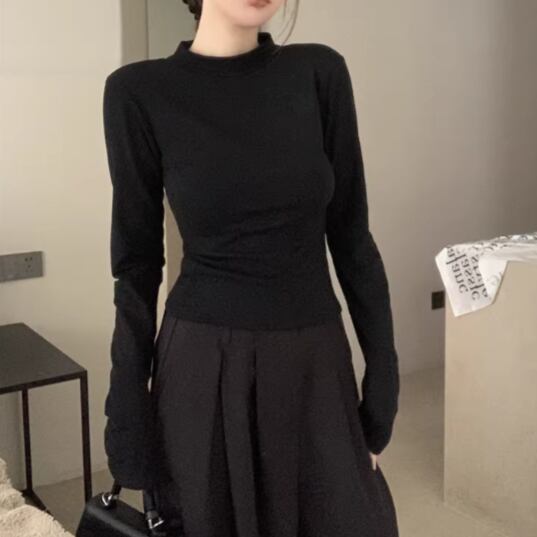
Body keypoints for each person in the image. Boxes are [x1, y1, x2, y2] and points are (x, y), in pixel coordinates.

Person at [101, 0, 400, 535]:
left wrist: (383, 376)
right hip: (202, 366)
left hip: (314, 362)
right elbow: (137, 263)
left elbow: (352, 237)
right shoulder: (137, 92)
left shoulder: (318, 72)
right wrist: (126, 407)